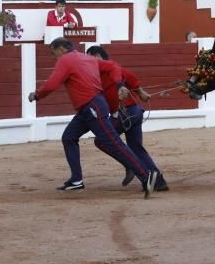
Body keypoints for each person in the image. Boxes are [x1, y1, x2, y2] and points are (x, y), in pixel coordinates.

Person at [28, 38, 157, 195]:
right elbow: (114, 66)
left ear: (61, 49)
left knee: (113, 143)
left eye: (53, 52)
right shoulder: (87, 58)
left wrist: (37, 95)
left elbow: (51, 84)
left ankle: (146, 176)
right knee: (69, 137)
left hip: (92, 107)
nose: (53, 57)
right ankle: (76, 180)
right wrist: (119, 84)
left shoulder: (66, 60)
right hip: (88, 108)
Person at [85, 46, 168, 192]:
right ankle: (159, 181)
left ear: (97, 56)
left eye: (89, 57)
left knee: (102, 140)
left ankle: (130, 164)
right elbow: (132, 79)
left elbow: (132, 81)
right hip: (135, 112)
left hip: (125, 113)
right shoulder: (115, 68)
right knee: (136, 147)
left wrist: (141, 93)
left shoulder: (107, 70)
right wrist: (142, 93)